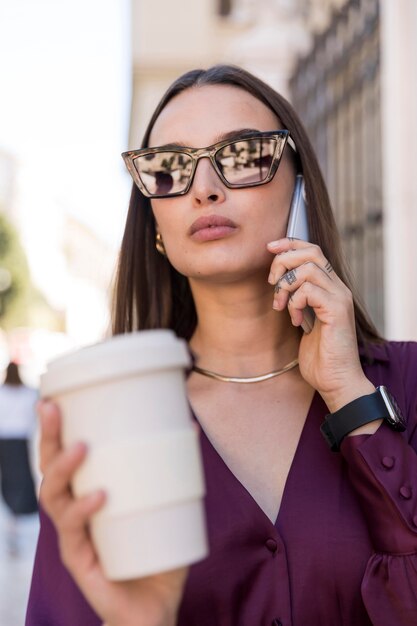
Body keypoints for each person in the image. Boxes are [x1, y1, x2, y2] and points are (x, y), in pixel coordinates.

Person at [26, 65, 417, 626]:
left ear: (300, 185)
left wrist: (353, 400)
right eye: (170, 168)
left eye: (244, 156)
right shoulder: (106, 428)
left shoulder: (404, 381)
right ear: (154, 221)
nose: (205, 188)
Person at [0, 361, 38, 555]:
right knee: (19, 482)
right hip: (20, 443)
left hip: (6, 443)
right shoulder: (29, 393)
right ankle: (14, 526)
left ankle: (13, 526)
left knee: (10, 483)